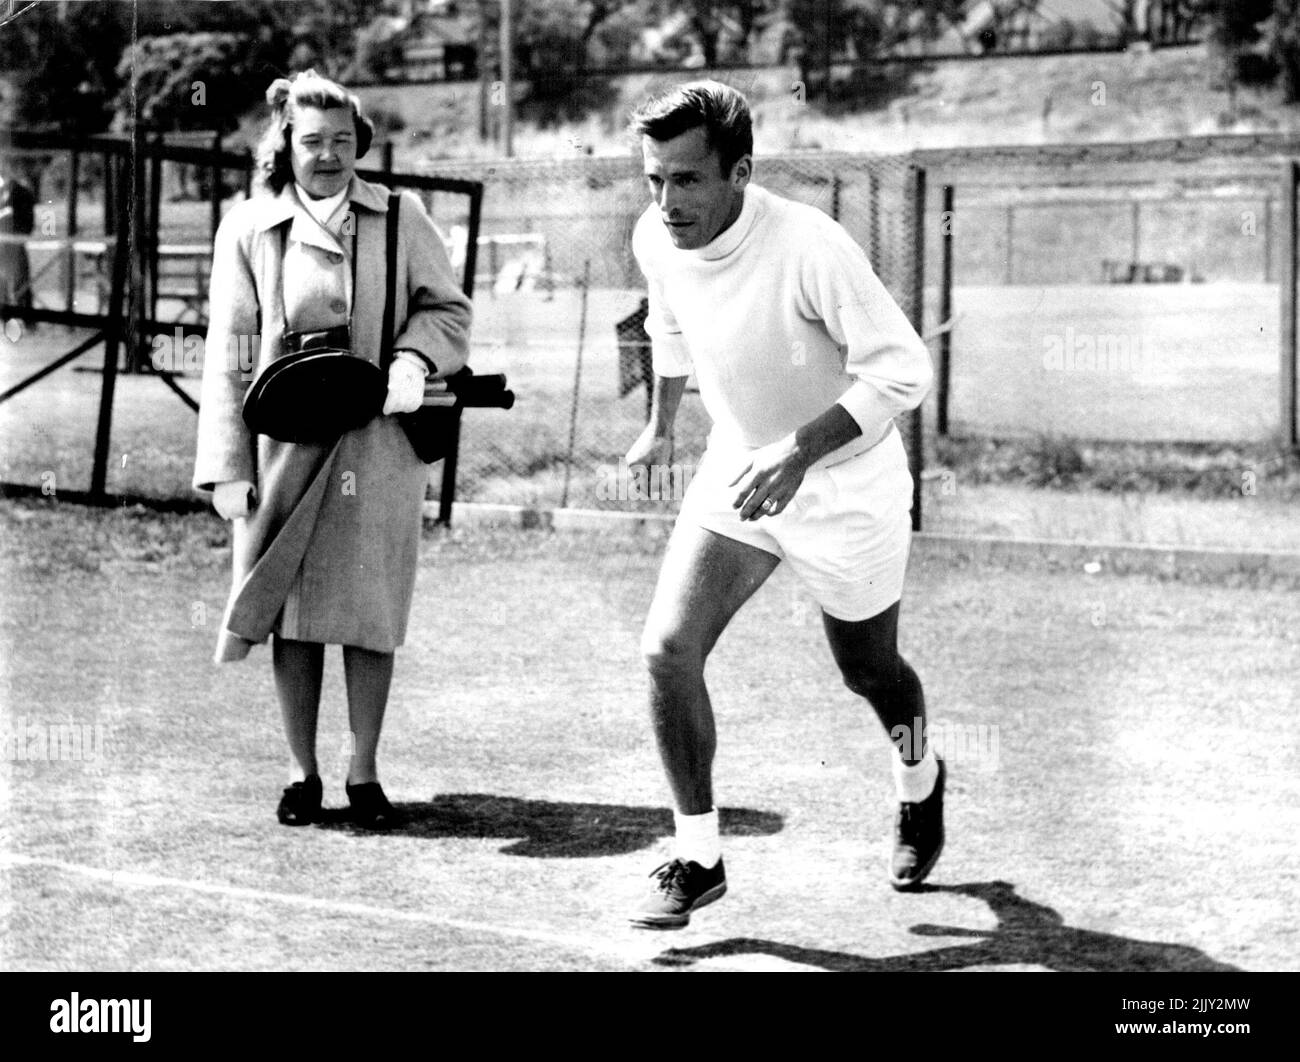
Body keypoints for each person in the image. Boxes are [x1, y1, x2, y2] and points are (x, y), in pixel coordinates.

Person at [625, 81, 940, 928]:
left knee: (869, 672)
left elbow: (903, 370)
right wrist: (660, 426)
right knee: (667, 650)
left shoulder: (810, 243)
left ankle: (919, 780)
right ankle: (697, 855)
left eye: (686, 180)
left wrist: (801, 452)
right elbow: (669, 328)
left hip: (850, 482)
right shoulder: (657, 236)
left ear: (741, 171)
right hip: (742, 468)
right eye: (653, 178)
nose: (666, 201)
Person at [193, 71, 471, 829]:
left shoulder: (398, 216)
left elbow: (446, 309)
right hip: (286, 444)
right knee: (294, 612)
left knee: (370, 609)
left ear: (361, 145)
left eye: (342, 142)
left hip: (379, 446)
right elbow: (232, 350)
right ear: (286, 145)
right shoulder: (249, 228)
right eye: (312, 142)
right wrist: (226, 467)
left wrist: (414, 360)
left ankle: (365, 772)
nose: (328, 157)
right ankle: (301, 772)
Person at [0, 158, 35, 314]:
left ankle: (27, 317)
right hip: (1, 244)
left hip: (15, 243)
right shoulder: (1, 192)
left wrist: (18, 236)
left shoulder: (23, 193)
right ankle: (6, 315)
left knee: (21, 280)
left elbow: (28, 221)